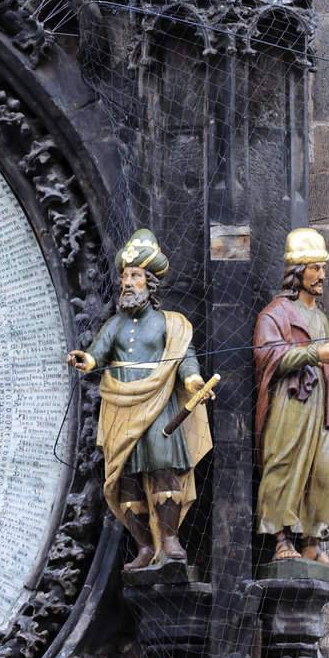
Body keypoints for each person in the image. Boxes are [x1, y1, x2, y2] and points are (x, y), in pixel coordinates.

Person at [67, 229, 210, 570]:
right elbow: (96, 355)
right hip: (121, 405)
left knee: (163, 470)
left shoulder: (169, 324)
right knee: (124, 477)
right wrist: (84, 360)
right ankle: (144, 545)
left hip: (159, 405)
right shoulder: (115, 326)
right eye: (124, 276)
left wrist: (193, 380)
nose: (127, 283)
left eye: (135, 276)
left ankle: (170, 537)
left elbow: (184, 358)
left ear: (151, 283)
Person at [254, 228, 329, 570]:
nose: (322, 275)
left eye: (323, 267)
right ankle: (281, 541)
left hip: (319, 408)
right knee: (284, 467)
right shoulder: (275, 314)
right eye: (315, 268)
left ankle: (313, 542)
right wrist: (312, 353)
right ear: (298, 271)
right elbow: (268, 356)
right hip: (290, 407)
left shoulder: (319, 318)